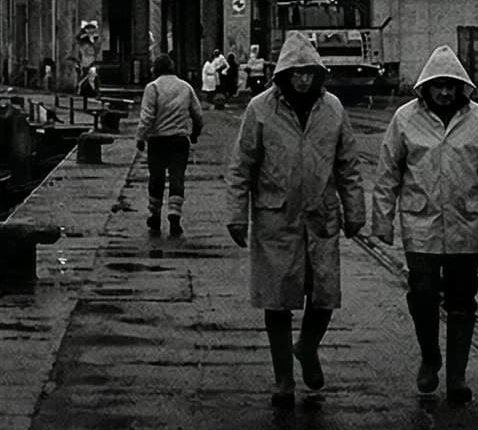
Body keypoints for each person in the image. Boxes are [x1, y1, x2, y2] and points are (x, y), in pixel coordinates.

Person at [226, 33, 364, 405]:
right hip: (276, 218)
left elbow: (348, 165)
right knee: (278, 300)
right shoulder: (260, 109)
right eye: (296, 72)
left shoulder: (333, 109)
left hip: (320, 216)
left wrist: (355, 211)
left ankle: (307, 346)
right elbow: (242, 166)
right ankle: (283, 379)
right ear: (284, 73)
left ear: (318, 73)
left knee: (323, 296)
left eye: (309, 72)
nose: (303, 79)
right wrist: (236, 215)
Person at [374, 45, 478, 402]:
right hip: (421, 227)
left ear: (461, 86)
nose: (445, 92)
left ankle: (458, 376)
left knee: (463, 299)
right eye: (438, 85)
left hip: (466, 225)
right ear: (426, 87)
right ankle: (430, 357)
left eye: (451, 86)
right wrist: (382, 221)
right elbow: (388, 173)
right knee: (423, 296)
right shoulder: (404, 119)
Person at [135, 52, 208, 235]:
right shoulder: (185, 87)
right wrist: (195, 133)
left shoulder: (153, 88)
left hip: (158, 140)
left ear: (156, 69)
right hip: (179, 140)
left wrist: (140, 137)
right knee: (177, 177)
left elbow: (147, 116)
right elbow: (198, 115)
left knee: (157, 177)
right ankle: (175, 215)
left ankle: (155, 215)